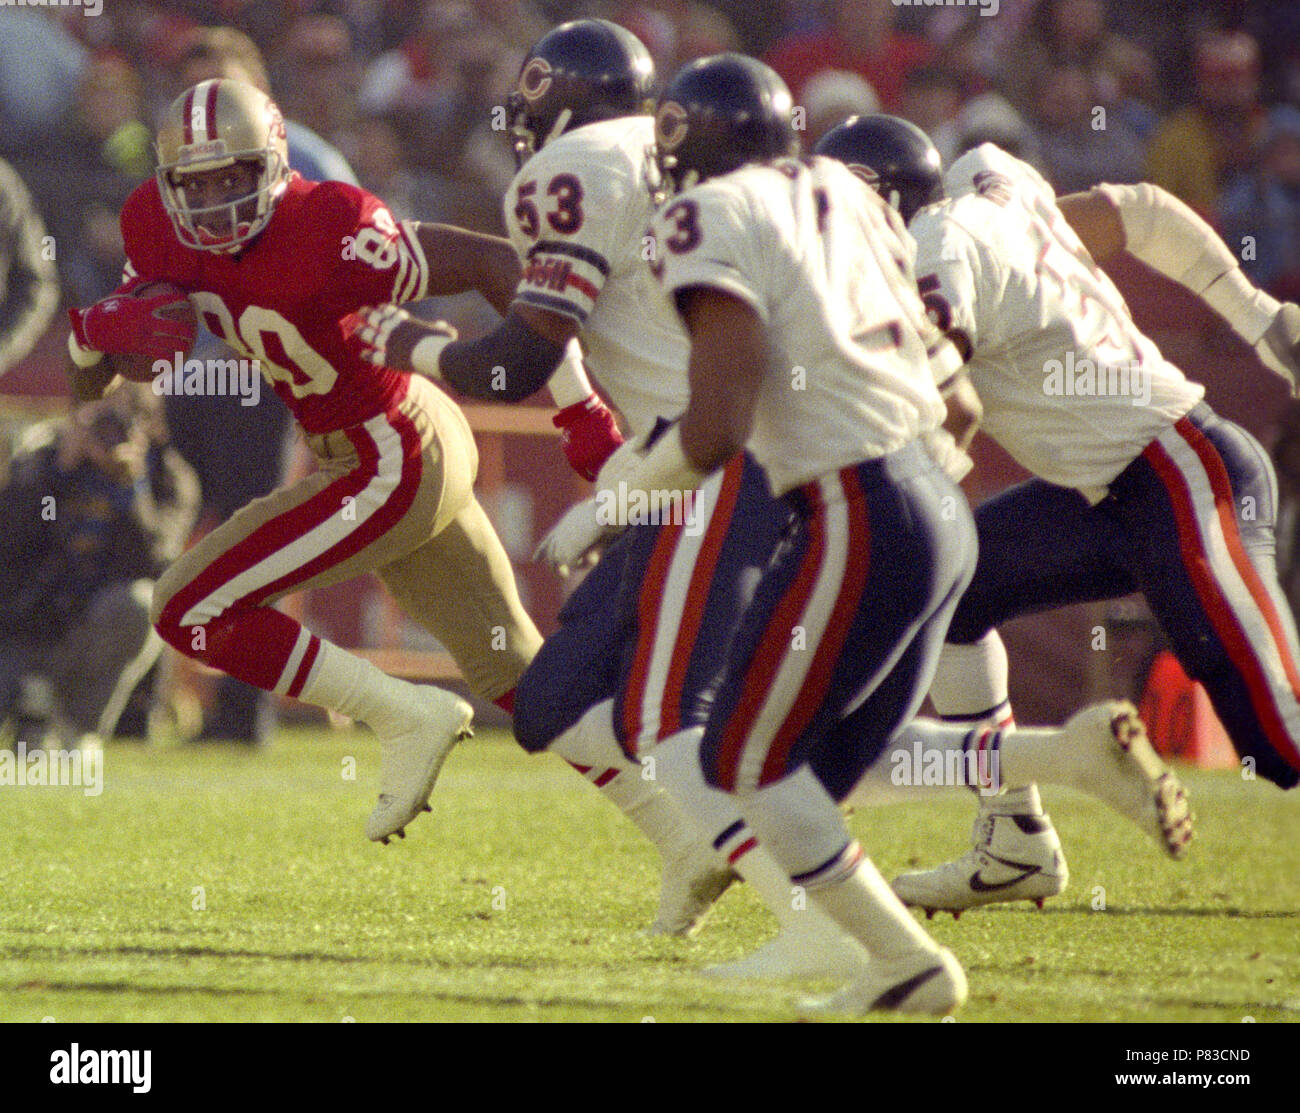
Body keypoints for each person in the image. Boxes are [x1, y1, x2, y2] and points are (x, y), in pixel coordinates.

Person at [358, 21, 830, 949]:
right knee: (551, 697)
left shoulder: (568, 171)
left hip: (717, 466)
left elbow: (519, 360)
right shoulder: (682, 160)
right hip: (713, 459)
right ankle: (700, 847)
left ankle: (812, 916)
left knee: (683, 717)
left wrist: (409, 344)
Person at [815, 114, 1300, 914]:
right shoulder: (988, 183)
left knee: (1278, 737)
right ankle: (1015, 841)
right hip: (1102, 491)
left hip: (1182, 470)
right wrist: (1257, 316)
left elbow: (936, 396)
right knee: (958, 592)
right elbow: (1139, 210)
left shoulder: (938, 248)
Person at [64, 77, 546, 844]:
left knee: (188, 606)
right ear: (168, 185)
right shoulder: (154, 226)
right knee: (525, 679)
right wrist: (91, 333)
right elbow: (103, 376)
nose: (217, 199)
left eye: (235, 176)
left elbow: (489, 260)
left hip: (393, 450)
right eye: (199, 182)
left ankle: (404, 714)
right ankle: (696, 818)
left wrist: (528, 367)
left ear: (275, 161)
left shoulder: (328, 220)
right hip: (374, 449)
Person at [621, 52, 979, 1015]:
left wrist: (610, 503)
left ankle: (909, 964)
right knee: (805, 768)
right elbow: (964, 400)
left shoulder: (708, 215)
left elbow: (715, 428)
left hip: (864, 502)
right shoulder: (851, 199)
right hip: (937, 498)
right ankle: (885, 959)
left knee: (744, 758)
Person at [0, 389, 198, 752]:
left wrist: (132, 489)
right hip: (24, 631)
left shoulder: (166, 479)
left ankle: (76, 729)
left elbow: (156, 562)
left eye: (124, 421)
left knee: (141, 604)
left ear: (150, 427)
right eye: (100, 420)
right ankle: (30, 716)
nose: (110, 433)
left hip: (90, 638)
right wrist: (58, 473)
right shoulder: (45, 464)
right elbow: (11, 543)